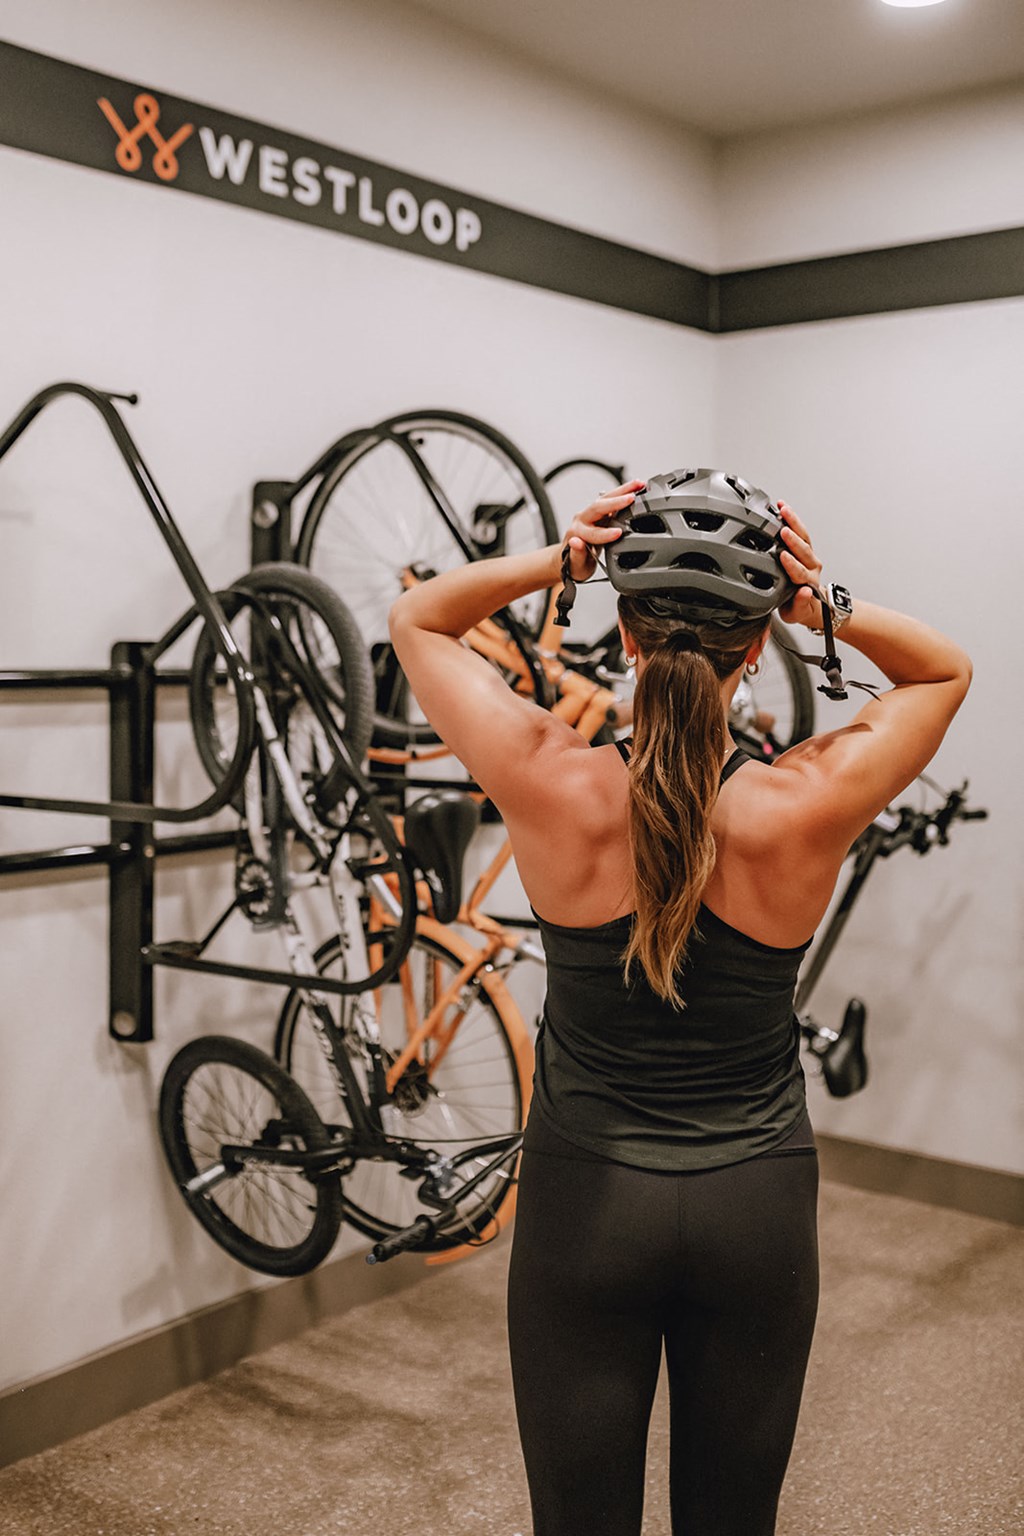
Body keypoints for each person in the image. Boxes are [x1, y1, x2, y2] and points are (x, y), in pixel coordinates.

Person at [387, 470, 972, 1536]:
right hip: (754, 1205)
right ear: (757, 649)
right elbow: (942, 673)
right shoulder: (803, 802)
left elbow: (419, 617)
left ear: (622, 636)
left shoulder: (545, 776)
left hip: (585, 1210)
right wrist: (816, 604)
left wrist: (563, 559)